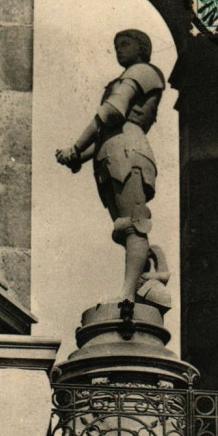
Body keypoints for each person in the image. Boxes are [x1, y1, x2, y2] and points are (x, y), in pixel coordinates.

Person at [56, 29, 166, 304]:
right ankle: (145, 280)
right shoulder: (131, 74)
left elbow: (113, 112)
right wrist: (76, 157)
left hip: (127, 152)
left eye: (125, 44)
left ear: (142, 49)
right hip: (112, 153)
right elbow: (105, 134)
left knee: (133, 225)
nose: (119, 49)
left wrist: (77, 146)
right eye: (116, 45)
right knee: (124, 226)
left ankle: (128, 295)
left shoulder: (143, 71)